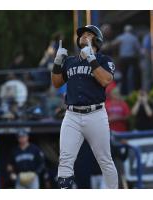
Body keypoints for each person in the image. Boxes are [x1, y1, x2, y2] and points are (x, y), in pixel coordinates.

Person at [51, 25, 118, 189]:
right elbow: (56, 82)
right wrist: (57, 62)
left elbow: (105, 81)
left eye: (88, 34)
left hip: (95, 114)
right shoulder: (71, 61)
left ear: (97, 39)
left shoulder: (104, 60)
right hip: (72, 115)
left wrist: (91, 58)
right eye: (81, 35)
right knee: (65, 158)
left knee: (105, 159)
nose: (83, 36)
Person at [113, 25, 141, 95]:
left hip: (123, 59)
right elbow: (138, 49)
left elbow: (114, 44)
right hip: (132, 59)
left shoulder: (120, 37)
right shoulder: (134, 38)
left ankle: (124, 92)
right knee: (134, 75)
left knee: (123, 75)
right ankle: (135, 90)